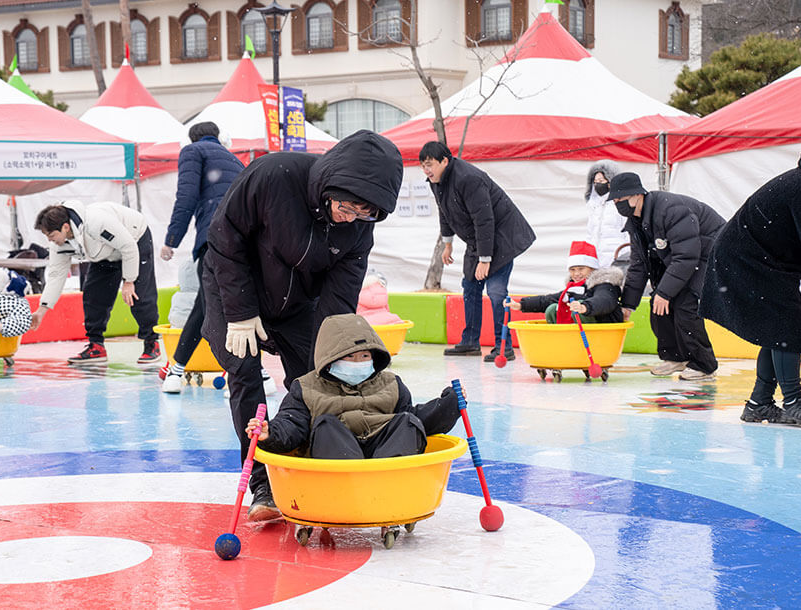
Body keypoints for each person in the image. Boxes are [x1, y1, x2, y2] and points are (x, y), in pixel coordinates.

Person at [203, 129, 402, 520]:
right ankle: (262, 478)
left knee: (317, 377)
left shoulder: (359, 227)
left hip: (297, 302)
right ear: (332, 184)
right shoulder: (274, 175)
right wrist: (241, 312)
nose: (352, 218)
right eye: (347, 207)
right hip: (236, 287)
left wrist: (333, 349)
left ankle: (308, 464)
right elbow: (225, 239)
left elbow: (341, 294)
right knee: (245, 374)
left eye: (366, 213)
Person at [701, 119, 801, 426]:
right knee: (788, 328)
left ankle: (759, 403)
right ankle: (794, 402)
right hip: (746, 258)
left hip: (768, 261)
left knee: (777, 330)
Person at [244, 314, 461, 459]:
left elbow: (414, 417)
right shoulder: (306, 387)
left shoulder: (391, 384)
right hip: (337, 458)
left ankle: (387, 483)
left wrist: (448, 405)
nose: (359, 362)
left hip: (382, 455)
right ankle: (352, 481)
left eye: (365, 356)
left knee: (407, 422)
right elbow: (293, 423)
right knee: (325, 424)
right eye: (349, 357)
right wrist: (271, 432)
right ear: (331, 358)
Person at [420, 141, 536, 363]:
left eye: (429, 165)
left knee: (496, 292)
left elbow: (484, 219)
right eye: (423, 166)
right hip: (479, 240)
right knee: (470, 287)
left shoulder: (468, 178)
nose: (426, 171)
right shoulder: (437, 180)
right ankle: (470, 342)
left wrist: (485, 259)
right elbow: (444, 212)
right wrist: (448, 243)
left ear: (445, 161)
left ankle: (504, 346)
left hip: (502, 238)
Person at [160, 121, 249, 393]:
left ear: (192, 138)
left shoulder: (193, 152)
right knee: (235, 305)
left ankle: (176, 371)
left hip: (216, 238)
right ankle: (251, 373)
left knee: (206, 306)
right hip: (244, 242)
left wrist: (171, 240)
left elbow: (185, 197)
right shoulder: (235, 160)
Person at [609, 172, 724, 381]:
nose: (618, 205)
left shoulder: (671, 210)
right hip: (683, 257)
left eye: (621, 200)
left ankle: (704, 365)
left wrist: (665, 291)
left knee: (685, 305)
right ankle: (675, 357)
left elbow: (687, 255)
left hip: (712, 254)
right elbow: (638, 265)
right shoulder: (635, 222)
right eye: (615, 201)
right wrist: (628, 304)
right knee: (658, 303)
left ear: (637, 195)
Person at [30, 201, 160, 365]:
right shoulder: (59, 244)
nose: (50, 240)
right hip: (104, 253)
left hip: (135, 240)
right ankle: (96, 346)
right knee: (93, 295)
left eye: (51, 235)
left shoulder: (96, 223)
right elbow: (56, 275)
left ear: (65, 227)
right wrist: (41, 310)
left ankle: (151, 342)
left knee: (139, 295)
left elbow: (128, 246)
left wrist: (129, 281)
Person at [507, 241, 624, 324]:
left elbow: (604, 300)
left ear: (592, 268)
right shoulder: (573, 288)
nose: (576, 273)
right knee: (553, 308)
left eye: (581, 269)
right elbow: (549, 300)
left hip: (604, 330)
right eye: (572, 270)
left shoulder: (604, 284)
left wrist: (585, 307)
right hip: (581, 328)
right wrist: (522, 304)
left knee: (578, 310)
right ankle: (564, 341)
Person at [584, 160, 630, 268]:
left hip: (616, 257)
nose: (598, 184)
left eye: (601, 180)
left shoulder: (620, 204)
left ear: (610, 181)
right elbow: (590, 233)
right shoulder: (594, 206)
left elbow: (628, 233)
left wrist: (625, 256)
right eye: (595, 182)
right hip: (596, 259)